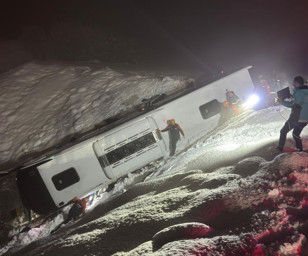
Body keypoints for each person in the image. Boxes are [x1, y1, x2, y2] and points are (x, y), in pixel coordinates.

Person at [276, 76, 308, 152]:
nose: (293, 84)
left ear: (296, 83)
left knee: (283, 131)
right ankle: (300, 150)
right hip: (305, 119)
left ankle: (280, 148)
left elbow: (293, 105)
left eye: (293, 83)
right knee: (295, 134)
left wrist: (281, 102)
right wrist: (292, 96)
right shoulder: (305, 90)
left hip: (297, 118)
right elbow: (301, 101)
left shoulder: (299, 93)